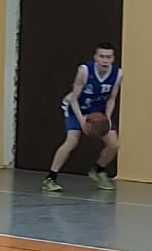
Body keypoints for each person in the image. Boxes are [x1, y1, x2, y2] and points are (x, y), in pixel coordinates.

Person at [43, 44, 122, 193]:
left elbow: (112, 99)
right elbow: (74, 98)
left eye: (108, 57)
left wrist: (108, 118)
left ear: (113, 58)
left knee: (114, 145)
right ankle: (50, 178)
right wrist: (82, 120)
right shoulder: (84, 71)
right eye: (102, 56)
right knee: (72, 140)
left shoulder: (117, 74)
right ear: (95, 57)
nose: (105, 60)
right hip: (76, 108)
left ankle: (98, 170)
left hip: (97, 110)